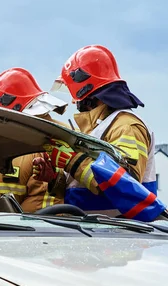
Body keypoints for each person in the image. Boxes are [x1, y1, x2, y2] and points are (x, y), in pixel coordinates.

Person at [38, 45, 156, 217]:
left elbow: (126, 185)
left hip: (123, 234)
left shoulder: (126, 126)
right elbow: (82, 186)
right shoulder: (99, 128)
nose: (73, 102)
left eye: (74, 94)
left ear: (86, 90)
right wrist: (54, 178)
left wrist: (73, 161)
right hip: (93, 232)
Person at [0, 67, 69, 212]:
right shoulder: (66, 132)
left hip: (33, 228)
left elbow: (7, 206)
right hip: (74, 226)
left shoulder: (18, 147)